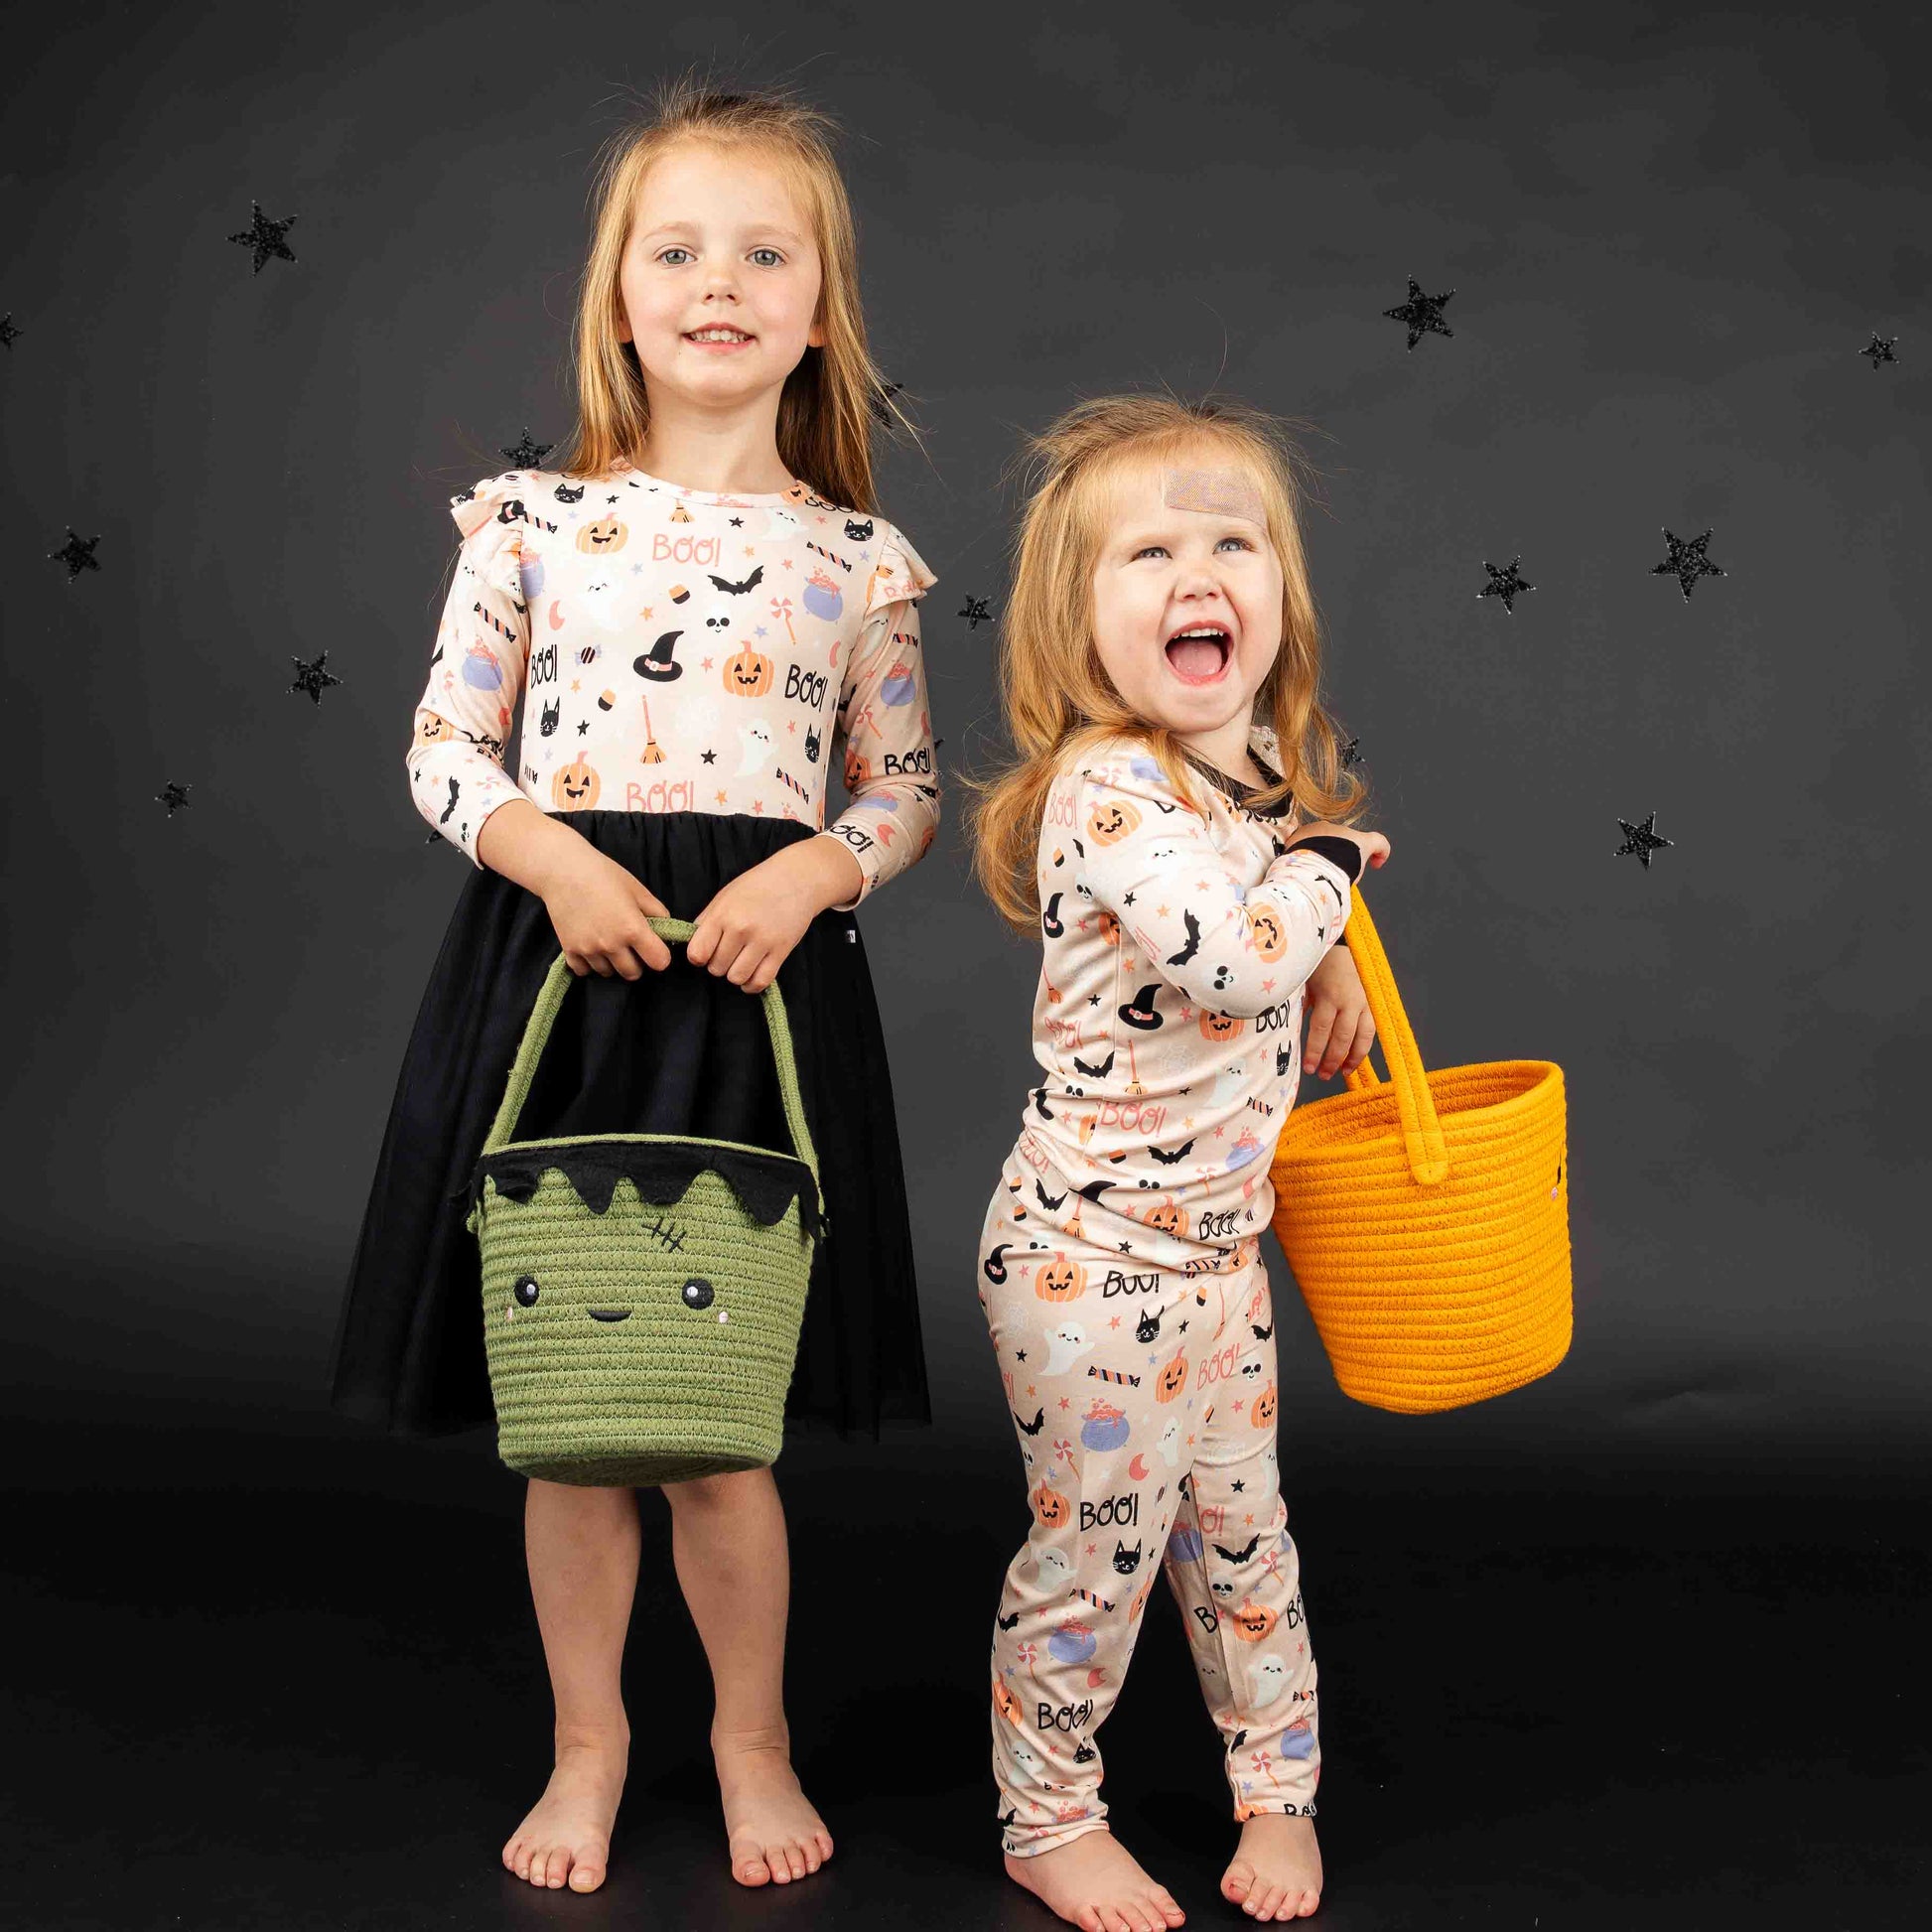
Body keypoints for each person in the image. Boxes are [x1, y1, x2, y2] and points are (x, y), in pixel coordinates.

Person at [330, 77, 939, 1896]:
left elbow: (901, 786)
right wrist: (558, 862)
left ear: (818, 310)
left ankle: (747, 1733)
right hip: (564, 966)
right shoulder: (524, 520)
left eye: (766, 253)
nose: (719, 283)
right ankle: (587, 1737)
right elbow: (444, 747)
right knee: (582, 1408)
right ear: (618, 299)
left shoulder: (856, 561)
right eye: (675, 250)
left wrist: (819, 865)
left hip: (755, 988)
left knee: (716, 1415)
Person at [966, 393, 1392, 1928]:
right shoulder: (1108, 786)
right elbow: (1224, 952)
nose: (1198, 571)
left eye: (1234, 541)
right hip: (1091, 1262)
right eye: (1148, 550)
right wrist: (1330, 877)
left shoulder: (1248, 778)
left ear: (1278, 594)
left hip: (1219, 1263)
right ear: (1078, 625)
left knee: (1239, 1536)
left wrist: (1320, 941)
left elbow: (1268, 940)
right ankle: (1046, 1812)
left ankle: (1276, 1786)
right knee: (1095, 1561)